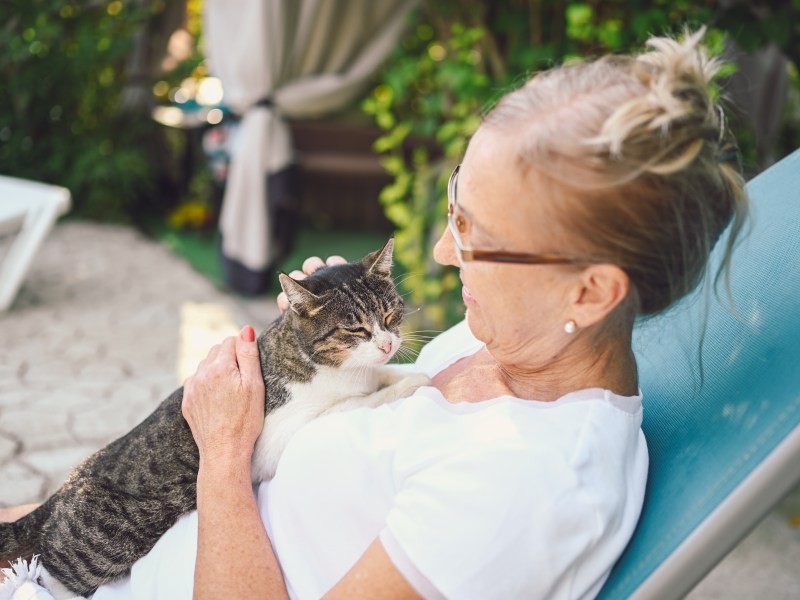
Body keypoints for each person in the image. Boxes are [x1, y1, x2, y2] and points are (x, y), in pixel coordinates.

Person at [1, 29, 747, 599]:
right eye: (456, 204)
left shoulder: (524, 482)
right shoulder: (503, 341)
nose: (441, 250)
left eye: (478, 238)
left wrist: (223, 457)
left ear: (590, 292)